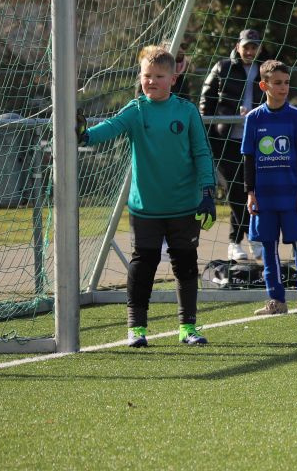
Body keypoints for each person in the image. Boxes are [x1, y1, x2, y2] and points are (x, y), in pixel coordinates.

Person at [79, 45, 216, 347]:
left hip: (185, 206)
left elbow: (202, 153)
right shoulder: (135, 110)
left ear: (173, 79)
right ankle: (136, 329)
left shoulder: (186, 111)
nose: (151, 81)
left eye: (158, 76)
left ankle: (188, 328)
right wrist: (85, 134)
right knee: (143, 266)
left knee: (185, 266)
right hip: (146, 209)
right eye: (146, 75)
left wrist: (208, 192)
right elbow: (109, 128)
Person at [241, 60, 297, 315]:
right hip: (264, 197)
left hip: (291, 196)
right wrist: (250, 193)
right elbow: (248, 158)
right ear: (264, 86)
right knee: (268, 248)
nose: (283, 87)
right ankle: (277, 301)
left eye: (287, 83)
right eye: (278, 83)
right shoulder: (254, 119)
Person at [200, 28, 266, 262]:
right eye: (246, 46)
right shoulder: (222, 67)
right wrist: (207, 133)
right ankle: (249, 238)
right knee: (236, 189)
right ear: (238, 46)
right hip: (226, 138)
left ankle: (238, 241)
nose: (249, 51)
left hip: (256, 140)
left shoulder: (265, 69)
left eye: (254, 47)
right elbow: (206, 100)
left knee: (251, 191)